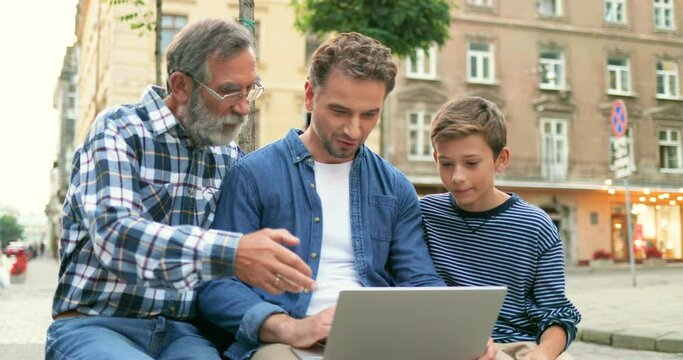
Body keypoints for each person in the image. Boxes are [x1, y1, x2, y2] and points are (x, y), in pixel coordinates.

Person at [199, 33, 496, 360]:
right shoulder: (252, 176)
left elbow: (420, 279)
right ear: (310, 96)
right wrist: (288, 326)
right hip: (286, 340)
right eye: (340, 111)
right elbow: (217, 285)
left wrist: (456, 331)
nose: (354, 130)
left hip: (380, 340)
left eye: (369, 115)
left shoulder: (395, 187)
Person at [46, 19, 315, 360]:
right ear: (181, 85)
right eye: (230, 91)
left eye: (251, 90)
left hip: (183, 334)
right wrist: (232, 253)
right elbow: (115, 236)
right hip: (97, 324)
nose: (244, 107)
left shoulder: (229, 156)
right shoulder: (118, 130)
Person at [420, 96, 581, 360]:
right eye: (446, 163)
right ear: (436, 157)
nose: (457, 176)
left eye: (471, 163)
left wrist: (543, 354)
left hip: (520, 344)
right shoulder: (425, 214)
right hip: (451, 342)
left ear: (501, 159)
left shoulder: (535, 225)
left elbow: (556, 312)